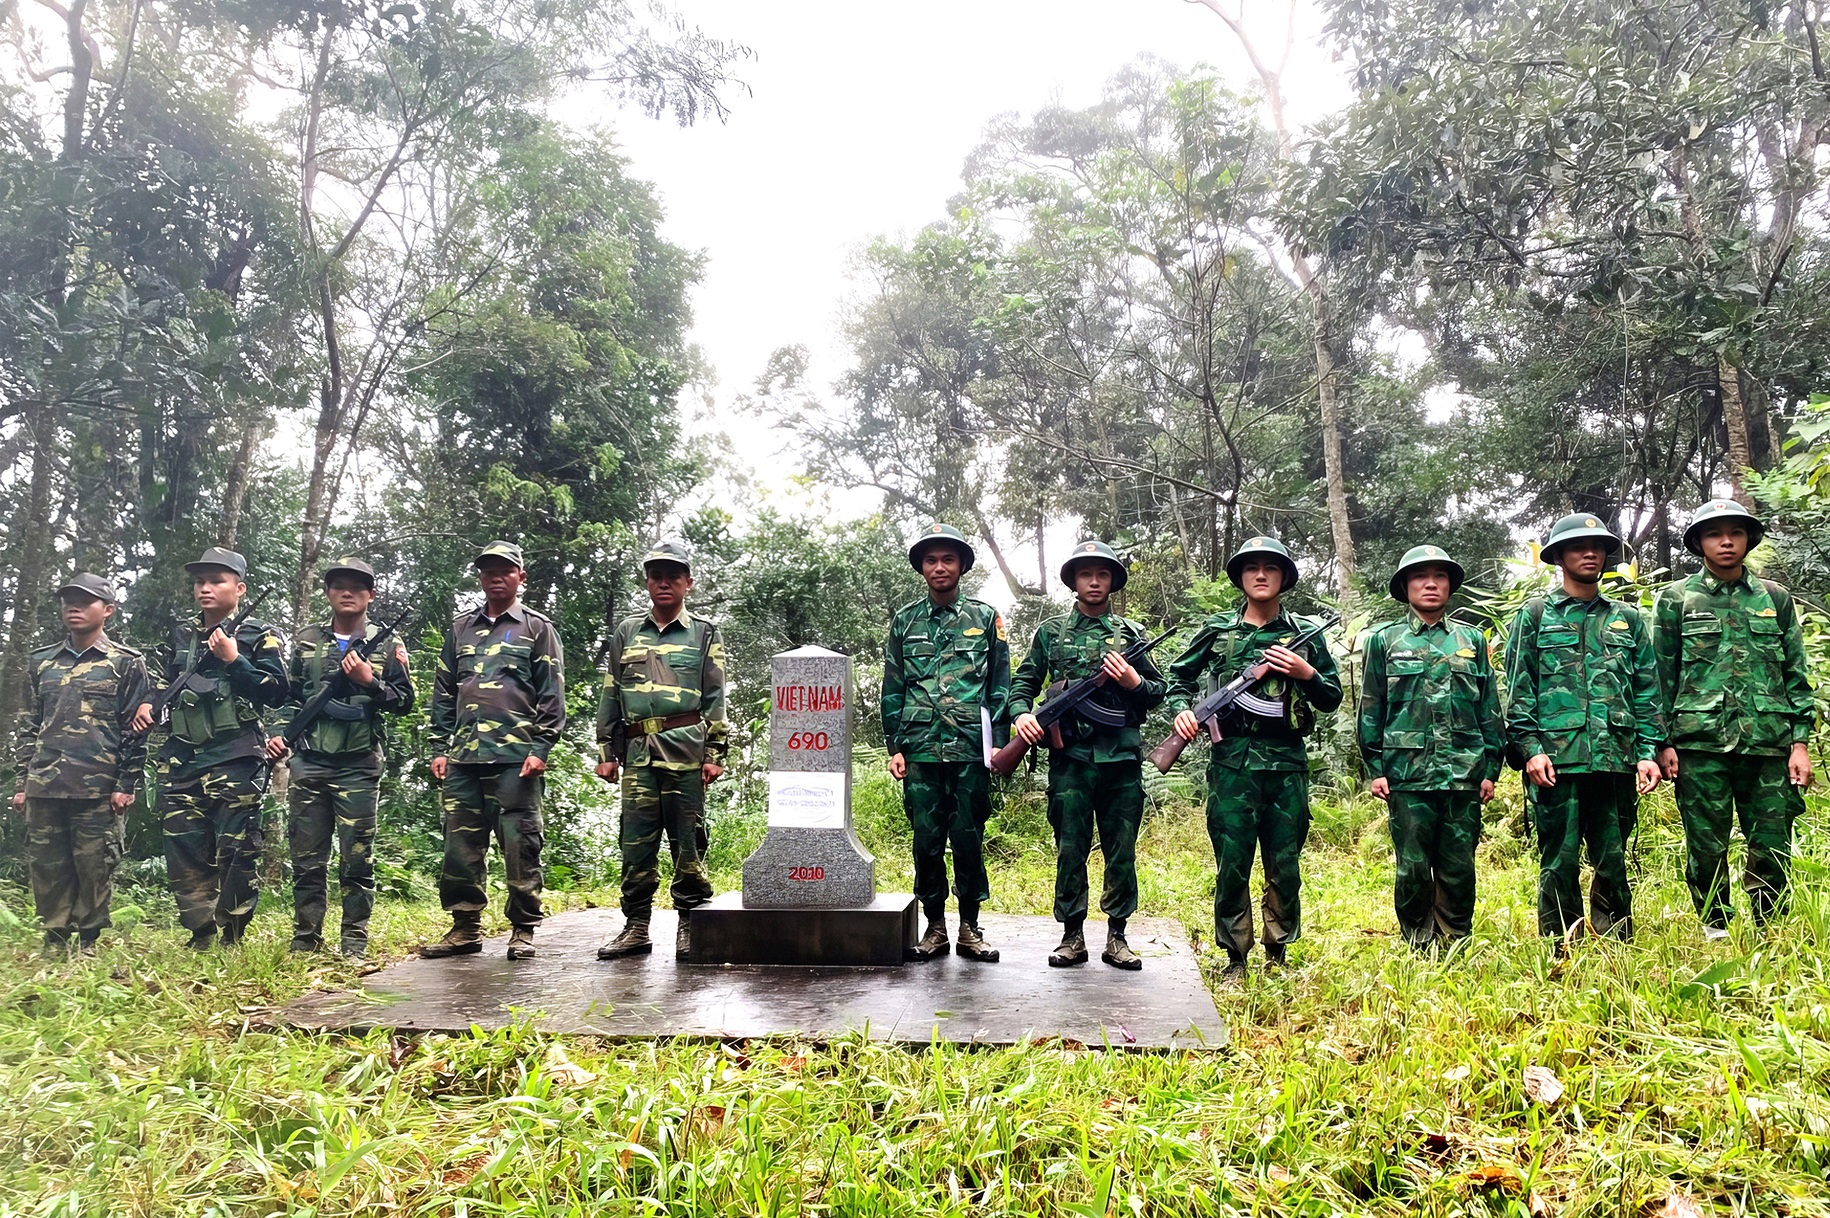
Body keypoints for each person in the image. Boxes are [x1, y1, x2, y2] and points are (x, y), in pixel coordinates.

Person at [1164, 536, 1342, 983]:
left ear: (1284, 577)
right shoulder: (1219, 631)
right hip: (1231, 769)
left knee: (1285, 863)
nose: (1261, 575)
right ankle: (1235, 959)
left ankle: (1277, 954)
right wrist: (1183, 710)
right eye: (1252, 568)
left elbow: (1331, 697)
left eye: (1270, 568)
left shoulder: (1306, 634)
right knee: (1232, 862)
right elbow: (1177, 678)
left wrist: (1307, 672)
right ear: (1241, 578)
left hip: (1286, 767)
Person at [1653, 499, 1814, 937]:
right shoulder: (1676, 599)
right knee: (1706, 844)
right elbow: (1661, 675)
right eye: (1714, 533)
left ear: (1748, 539)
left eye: (1735, 533)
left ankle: (1770, 927)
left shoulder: (1774, 598)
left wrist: (1800, 743)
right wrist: (1661, 742)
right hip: (1698, 742)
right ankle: (1715, 929)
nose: (1726, 542)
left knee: (1771, 840)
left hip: (1768, 741)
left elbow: (1795, 671)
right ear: (1700, 542)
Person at [1504, 514, 1666, 948]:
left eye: (1597, 545)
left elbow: (1647, 689)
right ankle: (1560, 943)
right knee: (1558, 858)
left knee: (1612, 856)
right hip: (1555, 761)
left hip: (1615, 756)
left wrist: (1648, 750)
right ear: (1558, 556)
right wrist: (1530, 748)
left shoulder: (1627, 619)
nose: (1590, 553)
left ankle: (1614, 944)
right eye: (1578, 546)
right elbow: (1519, 690)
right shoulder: (1535, 615)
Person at [1011, 540, 1166, 970]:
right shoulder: (1050, 633)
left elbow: (1159, 691)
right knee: (1070, 848)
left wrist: (1134, 681)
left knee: (1122, 849)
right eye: (1085, 574)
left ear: (1112, 581)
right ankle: (1071, 935)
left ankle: (1117, 936)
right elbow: (1022, 683)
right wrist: (1022, 714)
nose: (1094, 581)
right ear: (1074, 582)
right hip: (1071, 764)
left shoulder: (1132, 635)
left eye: (1102, 574)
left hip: (1120, 763)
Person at [132, 547, 288, 948]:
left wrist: (235, 660)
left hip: (235, 756)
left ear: (239, 588)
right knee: (183, 845)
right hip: (182, 756)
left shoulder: (259, 635)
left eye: (216, 581)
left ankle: (231, 934)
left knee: (237, 848)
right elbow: (165, 682)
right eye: (200, 581)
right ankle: (200, 931)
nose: (205, 588)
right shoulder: (181, 633)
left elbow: (276, 692)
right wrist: (150, 702)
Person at [265, 557, 415, 959]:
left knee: (357, 859)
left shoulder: (388, 645)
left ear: (371, 594)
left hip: (359, 765)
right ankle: (305, 939)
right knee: (307, 858)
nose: (347, 592)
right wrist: (281, 735)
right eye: (338, 585)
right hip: (310, 763)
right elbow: (290, 697)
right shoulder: (307, 639)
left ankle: (354, 941)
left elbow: (405, 702)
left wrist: (370, 681)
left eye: (357, 586)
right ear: (328, 593)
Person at [422, 541, 565, 961]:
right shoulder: (460, 628)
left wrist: (542, 747)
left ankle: (523, 929)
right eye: (488, 571)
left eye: (505, 570)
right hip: (464, 758)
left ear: (521, 577)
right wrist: (439, 745)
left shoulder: (537, 629)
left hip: (516, 760)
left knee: (520, 846)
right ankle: (464, 927)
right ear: (481, 578)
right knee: (460, 848)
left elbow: (552, 696)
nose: (496, 577)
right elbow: (444, 691)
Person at [1356, 545, 1503, 951]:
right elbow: (1371, 706)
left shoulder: (1471, 639)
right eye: (1421, 577)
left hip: (1464, 772)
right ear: (1405, 586)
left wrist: (1491, 768)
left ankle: (1455, 940)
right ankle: (1418, 942)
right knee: (1413, 867)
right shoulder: (1384, 640)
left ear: (1450, 586)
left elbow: (1488, 707)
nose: (1431, 584)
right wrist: (1376, 767)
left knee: (1459, 865)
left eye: (1440, 576)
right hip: (1407, 773)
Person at [880, 523, 1011, 962]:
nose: (939, 567)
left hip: (972, 750)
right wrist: (894, 745)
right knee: (927, 840)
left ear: (962, 567)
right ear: (922, 568)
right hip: (921, 751)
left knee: (970, 839)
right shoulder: (904, 621)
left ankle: (970, 928)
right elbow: (894, 687)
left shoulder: (986, 618)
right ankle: (935, 927)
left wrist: (998, 743)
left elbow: (1000, 687)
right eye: (931, 560)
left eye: (948, 559)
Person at [594, 540, 729, 961]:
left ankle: (688, 925)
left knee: (688, 843)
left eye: (673, 576)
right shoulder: (626, 632)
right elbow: (611, 692)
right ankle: (636, 927)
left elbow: (715, 695)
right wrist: (605, 749)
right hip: (636, 754)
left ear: (688, 583)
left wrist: (715, 753)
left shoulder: (704, 632)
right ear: (648, 582)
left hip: (686, 751)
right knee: (635, 843)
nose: (664, 583)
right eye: (656, 576)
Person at [11, 574, 150, 955]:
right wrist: (22, 782)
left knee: (95, 866)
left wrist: (127, 783)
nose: (73, 607)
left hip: (98, 786)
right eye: (68, 600)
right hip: (45, 783)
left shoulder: (126, 663)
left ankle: (88, 940)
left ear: (107, 611)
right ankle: (55, 937)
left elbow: (135, 730)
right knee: (48, 865)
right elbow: (28, 726)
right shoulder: (41, 662)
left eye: (85, 601)